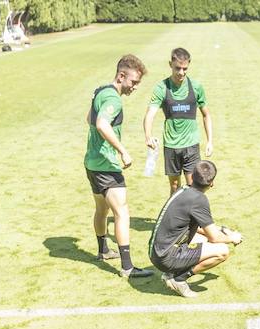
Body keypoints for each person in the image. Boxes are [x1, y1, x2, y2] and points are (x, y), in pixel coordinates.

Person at [86, 54, 154, 281]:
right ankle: (127, 267)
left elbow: (89, 118)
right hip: (106, 165)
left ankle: (103, 250)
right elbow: (100, 123)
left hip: (92, 163)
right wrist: (122, 150)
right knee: (122, 212)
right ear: (121, 76)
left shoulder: (100, 91)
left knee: (102, 209)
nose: (135, 87)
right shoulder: (113, 99)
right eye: (133, 82)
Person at [148, 160, 242, 298]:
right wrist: (232, 237)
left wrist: (222, 230)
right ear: (212, 183)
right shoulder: (199, 199)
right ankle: (179, 279)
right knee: (222, 251)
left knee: (204, 239)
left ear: (192, 176)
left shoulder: (183, 190)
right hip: (165, 257)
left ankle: (172, 272)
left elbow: (199, 228)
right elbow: (214, 238)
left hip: (157, 252)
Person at [143, 48, 214, 197]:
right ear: (170, 64)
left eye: (185, 69)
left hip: (191, 144)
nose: (181, 72)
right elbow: (150, 114)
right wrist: (148, 135)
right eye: (177, 68)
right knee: (175, 186)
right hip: (171, 145)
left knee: (193, 186)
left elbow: (206, 115)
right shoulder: (161, 88)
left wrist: (209, 141)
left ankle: (193, 220)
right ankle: (175, 219)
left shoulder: (196, 87)